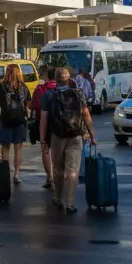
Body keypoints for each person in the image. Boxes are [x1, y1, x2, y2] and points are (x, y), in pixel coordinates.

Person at [40, 66, 97, 214]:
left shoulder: (49, 95)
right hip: (75, 135)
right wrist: (92, 135)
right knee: (73, 171)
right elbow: (86, 115)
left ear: (55, 79)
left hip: (57, 136)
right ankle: (70, 203)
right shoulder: (78, 94)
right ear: (69, 78)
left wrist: (43, 139)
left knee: (58, 169)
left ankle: (58, 198)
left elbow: (44, 119)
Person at [0, 63, 31, 185]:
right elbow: (28, 106)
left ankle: (5, 174)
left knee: (5, 147)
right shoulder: (23, 87)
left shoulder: (1, 87)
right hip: (20, 121)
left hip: (5, 121)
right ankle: (16, 174)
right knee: (18, 148)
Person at [30, 67, 58, 189]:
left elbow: (33, 105)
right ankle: (58, 176)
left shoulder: (40, 89)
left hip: (43, 121)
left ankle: (50, 176)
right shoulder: (62, 88)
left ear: (46, 76)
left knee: (45, 149)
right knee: (58, 150)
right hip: (59, 123)